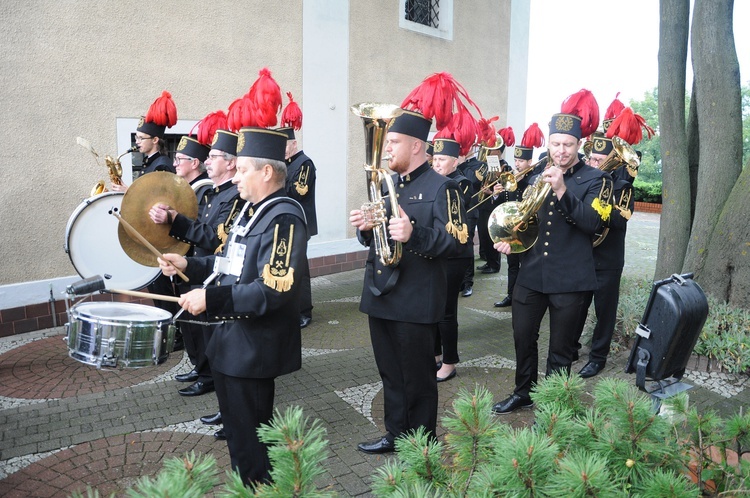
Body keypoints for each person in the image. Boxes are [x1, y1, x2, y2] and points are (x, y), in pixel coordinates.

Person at [158, 126, 307, 485]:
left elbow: (273, 289)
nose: (235, 178)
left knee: (253, 447)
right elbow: (226, 263)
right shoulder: (250, 212)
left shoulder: (283, 217)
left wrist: (209, 298)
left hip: (253, 349)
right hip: (230, 342)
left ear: (267, 172)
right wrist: (188, 265)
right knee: (240, 442)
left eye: (242, 170)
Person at [349, 109, 466, 454]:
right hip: (381, 293)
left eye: (395, 142)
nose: (387, 149)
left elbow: (457, 242)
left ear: (417, 146)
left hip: (416, 299)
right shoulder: (387, 185)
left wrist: (415, 235)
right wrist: (364, 229)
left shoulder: (444, 187)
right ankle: (395, 434)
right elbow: (375, 240)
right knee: (390, 375)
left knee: (418, 381)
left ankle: (421, 446)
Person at [491, 89, 613, 414]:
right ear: (549, 143)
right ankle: (523, 392)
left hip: (571, 281)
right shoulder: (536, 175)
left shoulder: (597, 180)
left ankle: (554, 408)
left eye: (568, 145)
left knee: (560, 351)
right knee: (522, 339)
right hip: (531, 276)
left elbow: (592, 224)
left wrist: (561, 190)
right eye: (556, 144)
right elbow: (526, 222)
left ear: (579, 146)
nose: (561, 151)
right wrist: (508, 240)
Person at [575, 134, 634, 378]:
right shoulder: (582, 183)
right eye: (592, 159)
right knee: (576, 307)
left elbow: (620, 221)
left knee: (604, 312)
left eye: (600, 160)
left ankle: (598, 357)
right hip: (582, 255)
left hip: (607, 260)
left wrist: (601, 204)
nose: (594, 163)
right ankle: (570, 348)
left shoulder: (623, 188)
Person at [431, 137, 473, 382]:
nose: (436, 164)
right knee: (434, 307)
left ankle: (449, 362)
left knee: (446, 311)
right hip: (438, 252)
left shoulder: (459, 183)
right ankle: (435, 355)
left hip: (455, 254)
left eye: (442, 159)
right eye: (434, 159)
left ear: (454, 161)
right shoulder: (436, 181)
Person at [494, 123, 544, 308]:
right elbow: (502, 205)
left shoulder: (533, 180)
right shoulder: (508, 177)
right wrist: (497, 193)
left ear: (529, 162)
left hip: (528, 230)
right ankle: (511, 295)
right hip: (512, 229)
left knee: (528, 265)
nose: (517, 164)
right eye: (515, 160)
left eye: (521, 161)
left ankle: (529, 297)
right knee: (512, 264)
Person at [278, 125, 317, 329]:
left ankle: (304, 311)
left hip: (300, 223)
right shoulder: (283, 165)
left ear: (294, 144)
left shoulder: (304, 163)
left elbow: (298, 192)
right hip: (287, 222)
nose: (283, 150)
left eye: (285, 145)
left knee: (300, 270)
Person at [113, 90, 178, 194]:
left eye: (141, 138)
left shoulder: (162, 166)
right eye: (136, 138)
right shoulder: (149, 163)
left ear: (155, 140)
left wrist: (128, 191)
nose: (137, 142)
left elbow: (156, 199)